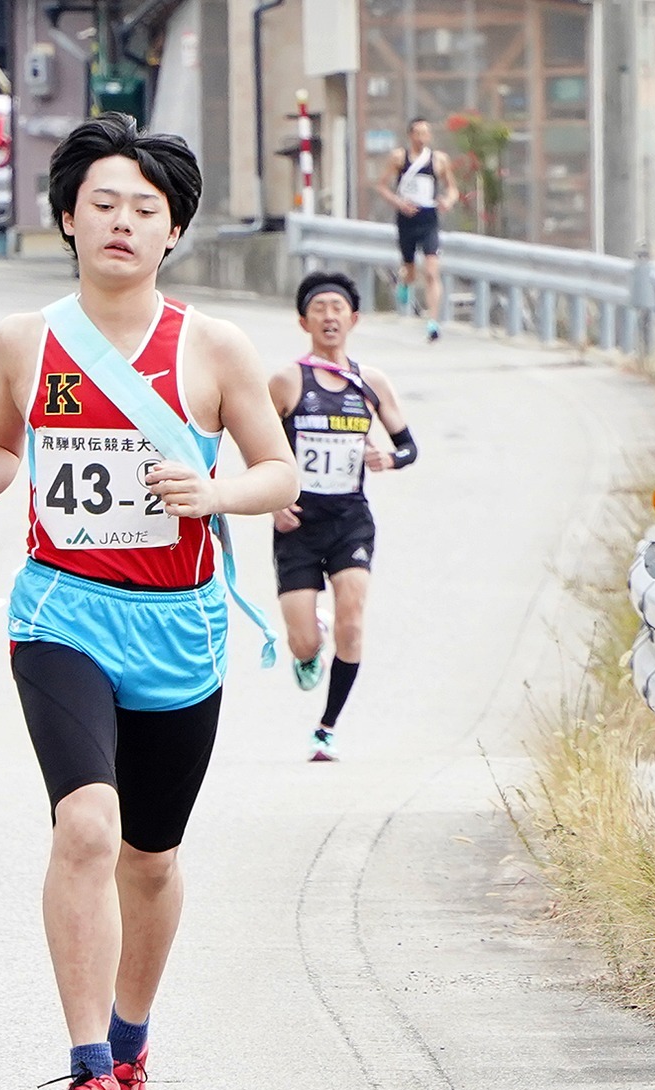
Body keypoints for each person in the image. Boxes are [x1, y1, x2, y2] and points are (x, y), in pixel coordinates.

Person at [0, 115, 298, 1090]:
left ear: (172, 233)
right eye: (101, 202)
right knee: (86, 830)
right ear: (65, 217)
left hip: (179, 628)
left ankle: (132, 1045)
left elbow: (277, 474)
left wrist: (217, 490)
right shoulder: (24, 341)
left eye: (145, 209)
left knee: (148, 858)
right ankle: (87, 1078)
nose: (121, 221)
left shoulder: (212, 347)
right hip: (62, 610)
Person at [268, 270, 418, 761]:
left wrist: (388, 459)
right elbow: (257, 444)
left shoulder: (370, 382)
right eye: (319, 309)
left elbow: (408, 446)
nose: (329, 316)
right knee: (302, 643)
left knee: (354, 621)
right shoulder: (287, 380)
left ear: (353, 319)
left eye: (338, 308)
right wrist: (272, 499)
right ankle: (313, 639)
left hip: (350, 520)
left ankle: (326, 728)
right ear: (303, 321)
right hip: (297, 524)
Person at [375, 118, 458, 343]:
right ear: (410, 135)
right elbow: (381, 185)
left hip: (428, 218)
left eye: (426, 133)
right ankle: (404, 282)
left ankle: (433, 321)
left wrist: (448, 201)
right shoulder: (398, 158)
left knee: (431, 271)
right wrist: (398, 202)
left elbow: (452, 188)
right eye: (418, 133)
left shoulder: (439, 160)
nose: (422, 137)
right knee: (410, 269)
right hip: (406, 217)